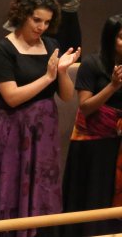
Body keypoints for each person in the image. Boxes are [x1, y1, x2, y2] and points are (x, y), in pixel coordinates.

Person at [0, 0, 80, 235]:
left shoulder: (51, 44)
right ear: (23, 14)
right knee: (11, 188)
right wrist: (47, 77)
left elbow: (66, 95)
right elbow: (11, 98)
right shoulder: (4, 49)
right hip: (14, 130)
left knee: (41, 190)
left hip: (44, 132)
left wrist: (62, 73)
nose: (41, 27)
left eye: (47, 22)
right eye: (37, 20)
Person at [62, 14, 122, 237]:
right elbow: (85, 107)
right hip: (94, 143)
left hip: (119, 142)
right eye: (121, 38)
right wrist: (113, 86)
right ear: (110, 39)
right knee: (93, 199)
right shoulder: (92, 63)